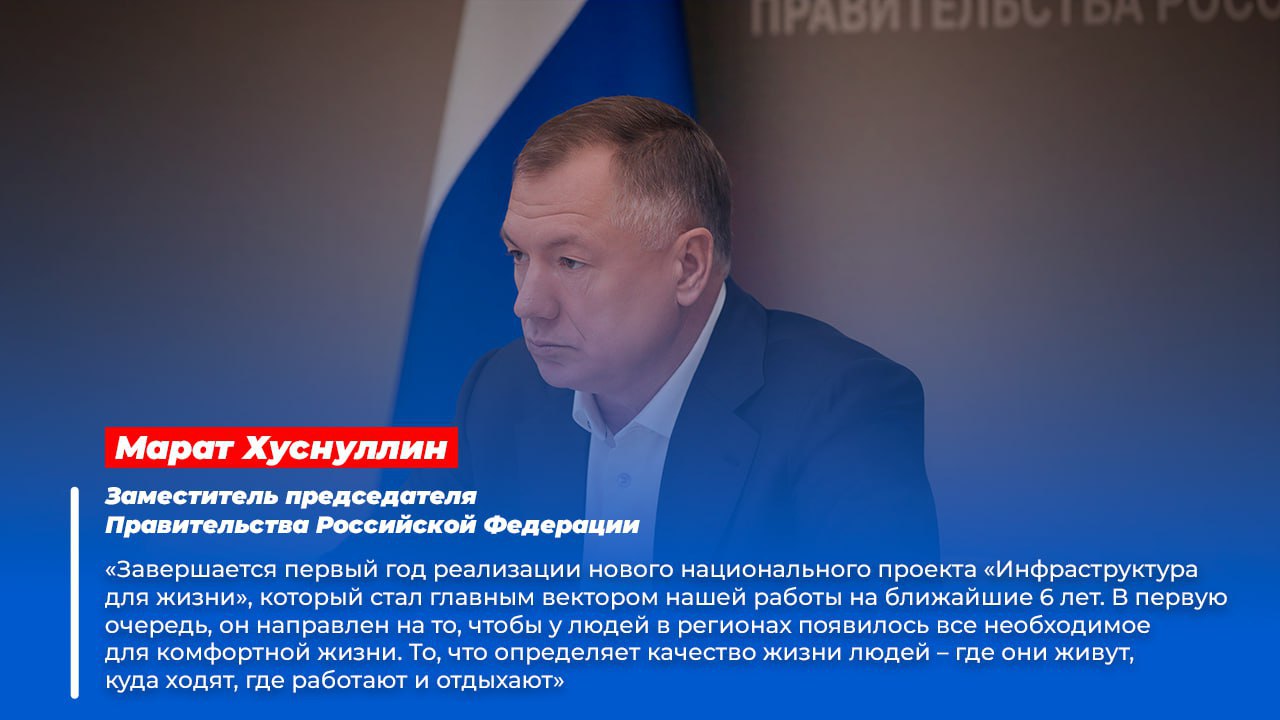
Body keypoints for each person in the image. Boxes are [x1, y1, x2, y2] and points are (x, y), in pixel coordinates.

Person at [455, 96, 937, 563]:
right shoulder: (498, 390)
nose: (527, 304)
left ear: (688, 266)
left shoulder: (840, 405)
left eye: (570, 261)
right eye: (518, 255)